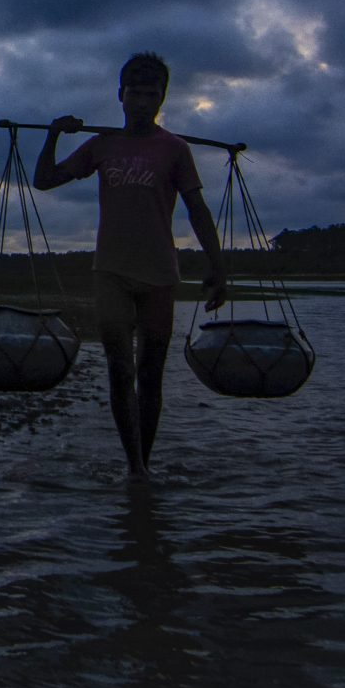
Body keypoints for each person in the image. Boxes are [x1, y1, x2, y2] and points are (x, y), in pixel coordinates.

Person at [34, 51, 228, 481]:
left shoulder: (174, 150)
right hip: (112, 273)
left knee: (150, 373)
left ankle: (146, 460)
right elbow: (44, 180)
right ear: (120, 96)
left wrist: (218, 268)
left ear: (162, 98)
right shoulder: (103, 146)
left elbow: (197, 209)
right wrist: (53, 135)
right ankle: (134, 467)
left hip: (160, 274)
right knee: (120, 369)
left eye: (151, 95)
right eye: (134, 94)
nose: (142, 103)